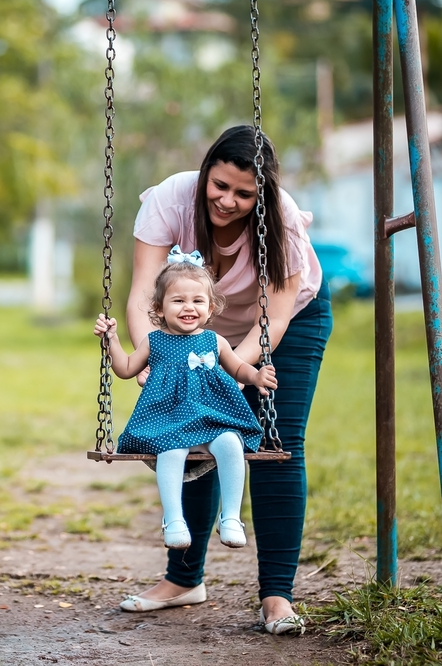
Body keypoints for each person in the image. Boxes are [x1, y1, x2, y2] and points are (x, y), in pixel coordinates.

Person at [116, 125, 332, 636]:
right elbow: (142, 295)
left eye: (244, 193)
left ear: (263, 194)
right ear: (205, 172)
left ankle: (277, 596)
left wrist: (228, 369)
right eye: (219, 185)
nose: (227, 201)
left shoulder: (281, 220)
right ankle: (184, 580)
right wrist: (156, 358)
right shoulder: (171, 198)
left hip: (285, 326)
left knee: (279, 443)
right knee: (188, 434)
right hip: (188, 327)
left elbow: (273, 321)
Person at [93, 248, 279, 550]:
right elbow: (126, 369)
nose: (188, 307)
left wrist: (256, 376)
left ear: (210, 307)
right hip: (169, 423)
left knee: (232, 443)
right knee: (171, 451)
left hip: (212, 421)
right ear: (159, 307)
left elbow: (238, 367)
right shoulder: (153, 341)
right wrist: (111, 341)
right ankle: (174, 519)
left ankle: (231, 517)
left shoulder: (215, 341)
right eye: (178, 300)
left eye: (197, 301)